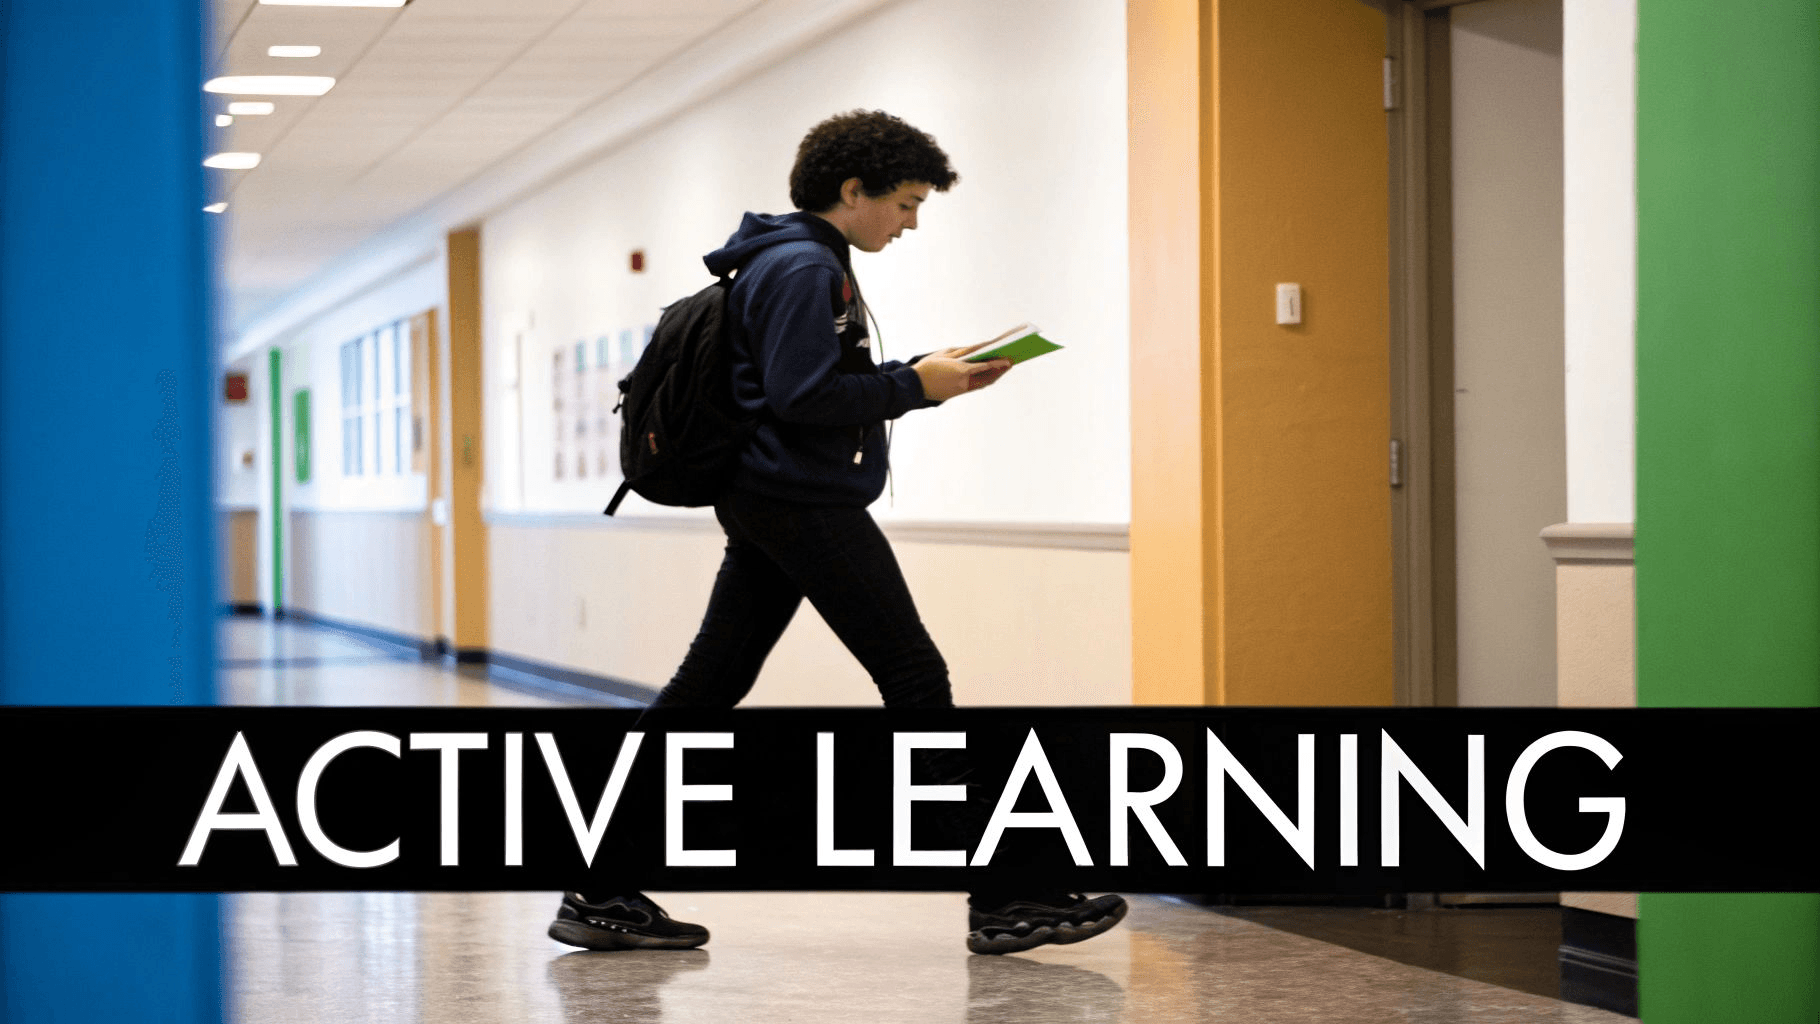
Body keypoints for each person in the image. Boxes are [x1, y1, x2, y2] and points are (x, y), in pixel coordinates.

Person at [547, 109, 1126, 956]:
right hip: (799, 502)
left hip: (771, 500)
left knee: (706, 690)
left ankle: (597, 886)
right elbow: (803, 399)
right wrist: (917, 388)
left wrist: (921, 375)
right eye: (905, 203)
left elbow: (804, 385)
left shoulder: (789, 261)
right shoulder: (802, 268)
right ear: (852, 191)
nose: (912, 223)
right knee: (916, 680)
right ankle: (1006, 893)